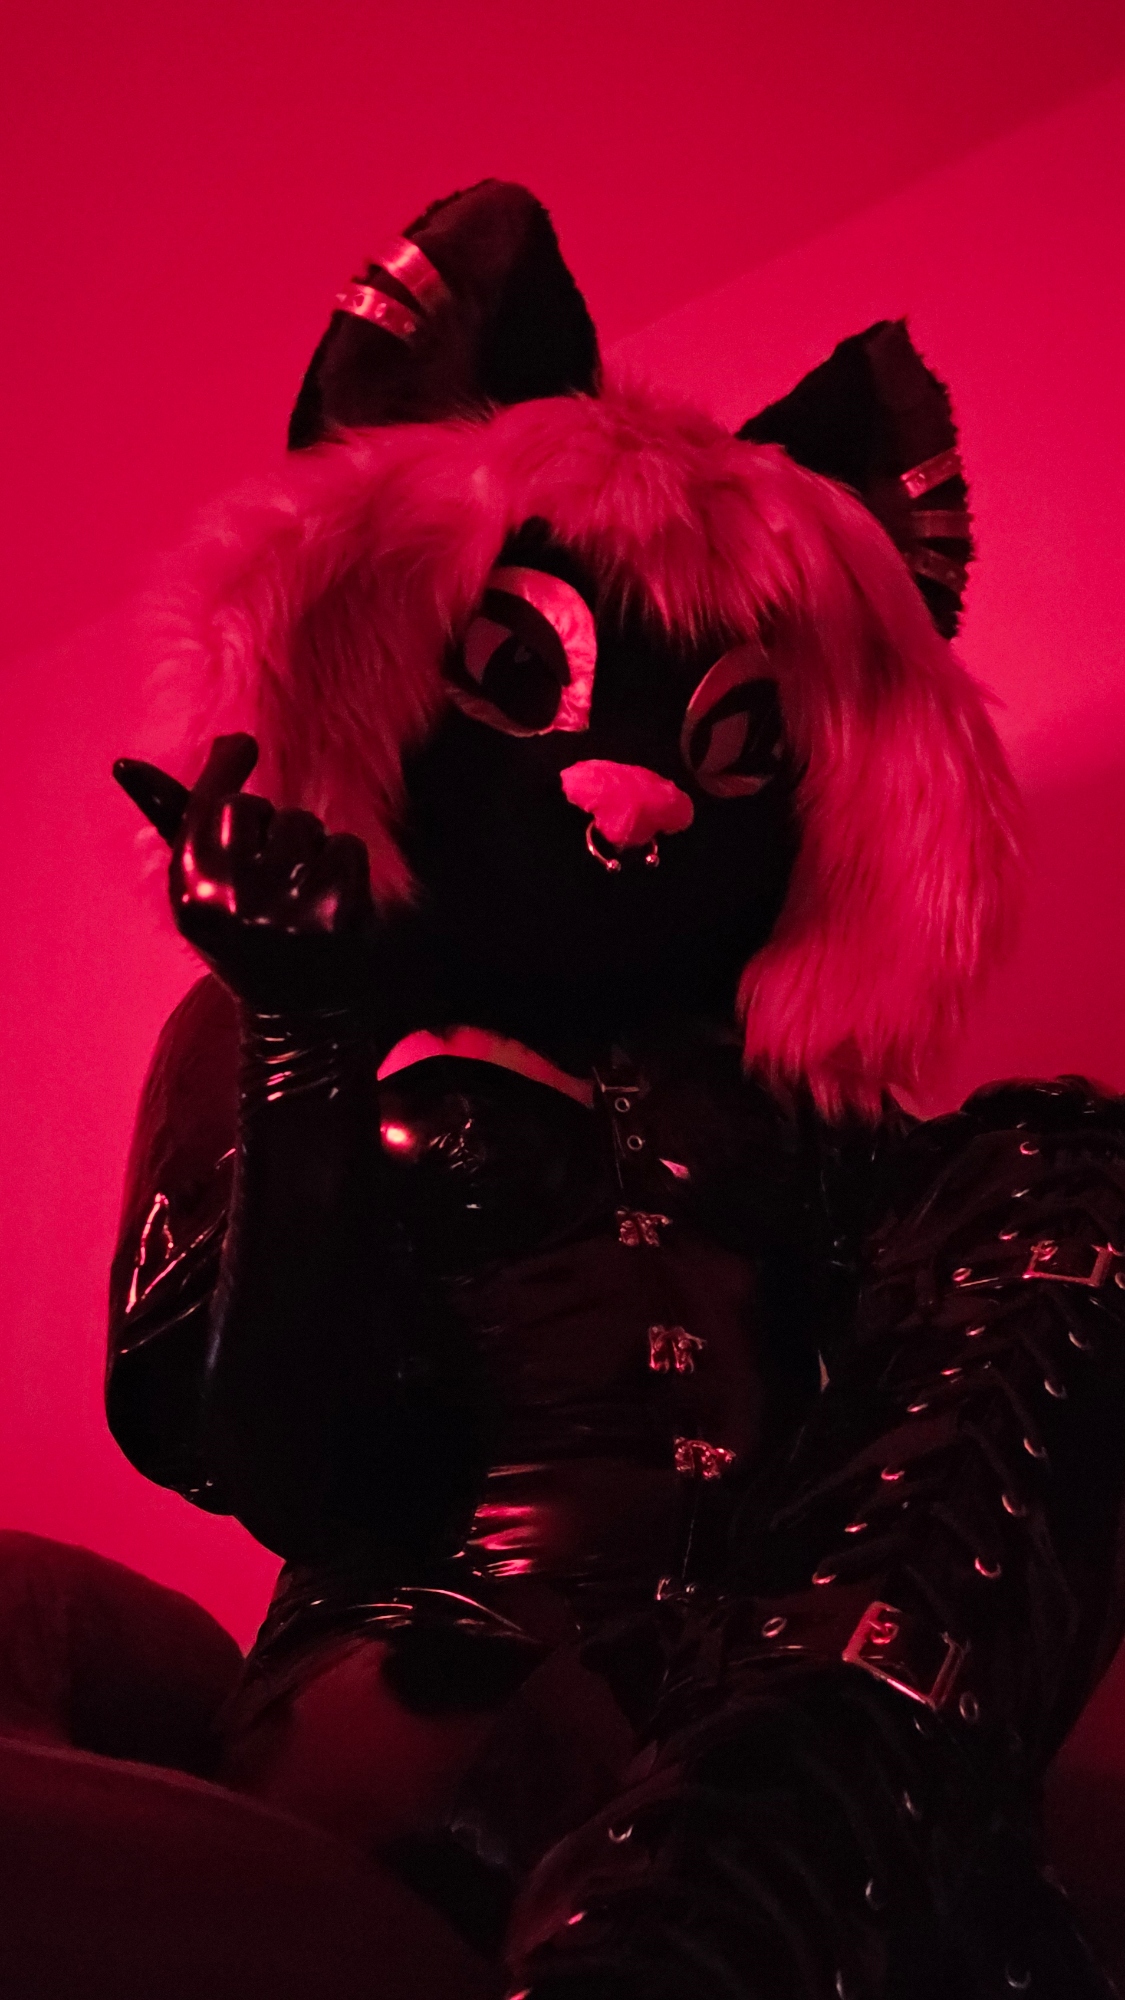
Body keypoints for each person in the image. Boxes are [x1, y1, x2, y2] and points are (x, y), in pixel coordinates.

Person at [92, 181, 1125, 1997]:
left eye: (730, 740)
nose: (633, 792)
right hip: (428, 1703)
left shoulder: (813, 1121)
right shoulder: (292, 1009)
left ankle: (783, 1821)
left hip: (759, 1696)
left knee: (1075, 1164)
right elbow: (269, 1461)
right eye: (524, 680)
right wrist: (305, 1044)